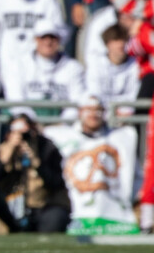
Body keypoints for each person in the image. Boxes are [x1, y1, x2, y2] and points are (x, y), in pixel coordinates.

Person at [0, 109, 71, 234]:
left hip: (42, 206)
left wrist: (37, 163)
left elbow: (56, 182)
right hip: (13, 206)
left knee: (54, 221)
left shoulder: (46, 148)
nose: (22, 138)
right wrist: (7, 154)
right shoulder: (5, 148)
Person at [45, 95, 139, 234]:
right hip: (73, 208)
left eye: (98, 110)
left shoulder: (120, 137)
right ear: (80, 112)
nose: (94, 115)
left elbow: (134, 174)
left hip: (113, 208)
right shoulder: (62, 136)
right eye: (89, 110)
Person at [3, 19, 85, 122]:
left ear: (59, 40)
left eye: (52, 37)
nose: (48, 42)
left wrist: (61, 125)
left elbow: (76, 102)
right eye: (43, 37)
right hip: (28, 126)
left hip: (63, 128)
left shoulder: (73, 67)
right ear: (36, 39)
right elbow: (15, 99)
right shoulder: (18, 65)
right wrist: (33, 125)